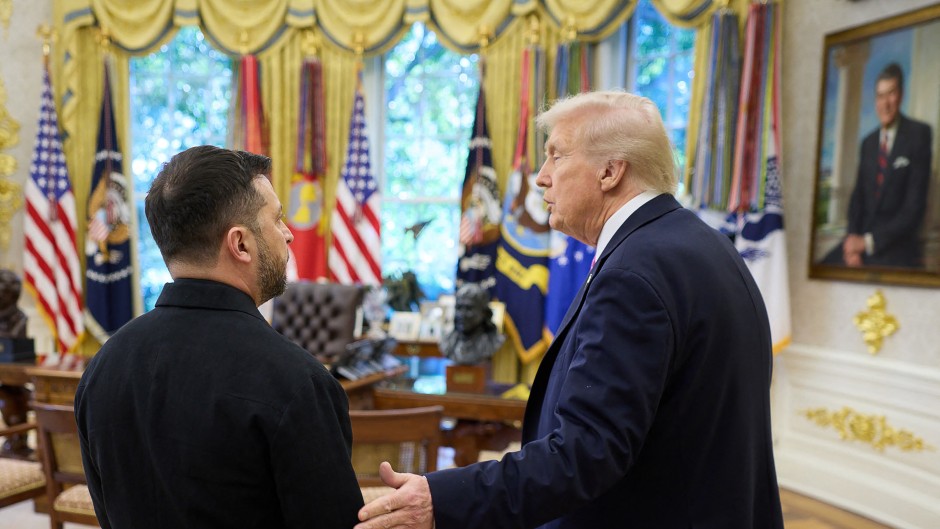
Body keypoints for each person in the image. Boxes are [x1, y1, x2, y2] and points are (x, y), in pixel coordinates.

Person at [354, 91, 784, 529]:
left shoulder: (632, 275)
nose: (541, 178)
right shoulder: (701, 244)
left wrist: (440, 499)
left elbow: (587, 452)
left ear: (610, 172)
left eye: (556, 157)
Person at [75, 146, 364, 528]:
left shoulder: (103, 368)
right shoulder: (298, 383)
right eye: (277, 219)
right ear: (240, 243)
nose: (289, 234)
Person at [837, 62, 933, 268]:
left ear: (901, 95)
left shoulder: (919, 135)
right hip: (860, 246)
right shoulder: (868, 143)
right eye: (880, 96)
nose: (885, 103)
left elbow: (914, 208)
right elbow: (858, 198)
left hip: (896, 248)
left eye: (891, 94)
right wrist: (852, 241)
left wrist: (868, 242)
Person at [439, 282, 504, 365]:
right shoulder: (447, 342)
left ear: (484, 313)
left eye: (468, 308)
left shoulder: (493, 342)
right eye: (459, 308)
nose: (462, 315)